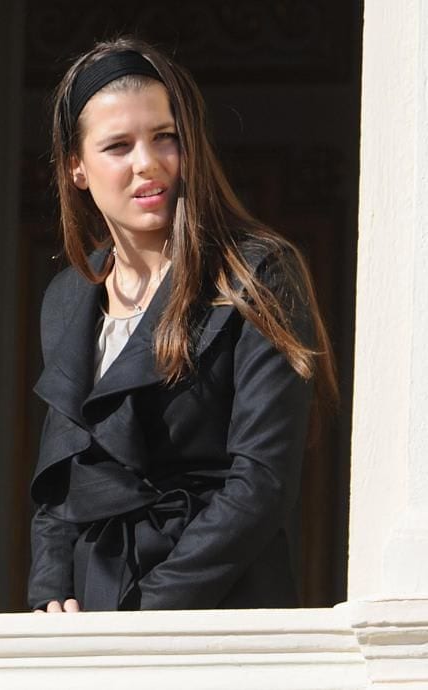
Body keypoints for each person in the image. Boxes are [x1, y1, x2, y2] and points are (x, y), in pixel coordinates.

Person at [28, 38, 337, 612]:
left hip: (219, 606)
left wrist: (150, 612)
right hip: (96, 611)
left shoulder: (256, 271)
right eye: (118, 146)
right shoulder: (69, 296)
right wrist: (52, 590)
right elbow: (62, 476)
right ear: (76, 167)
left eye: (164, 137)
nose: (148, 163)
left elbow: (262, 483)